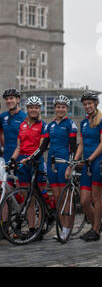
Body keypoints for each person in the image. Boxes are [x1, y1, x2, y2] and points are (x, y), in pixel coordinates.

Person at [66, 91, 102, 242]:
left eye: (90, 103)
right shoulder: (83, 123)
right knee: (84, 201)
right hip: (87, 163)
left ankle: (95, 230)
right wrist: (74, 160)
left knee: (96, 197)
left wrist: (90, 158)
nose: (87, 106)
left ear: (95, 104)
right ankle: (96, 225)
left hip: (98, 161)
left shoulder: (101, 121)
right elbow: (82, 144)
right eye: (85, 104)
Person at [36, 95, 78, 241]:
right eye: (58, 107)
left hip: (64, 163)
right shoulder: (50, 125)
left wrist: (70, 166)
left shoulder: (70, 125)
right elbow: (42, 147)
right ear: (55, 108)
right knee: (58, 198)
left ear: (67, 109)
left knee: (66, 199)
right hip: (51, 164)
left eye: (63, 107)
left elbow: (73, 148)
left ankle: (67, 229)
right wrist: (30, 157)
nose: (60, 109)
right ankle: (62, 228)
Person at [10, 96, 48, 240]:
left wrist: (31, 158)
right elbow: (19, 147)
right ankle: (33, 229)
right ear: (27, 109)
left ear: (40, 109)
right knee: (28, 198)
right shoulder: (22, 126)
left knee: (41, 195)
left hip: (36, 162)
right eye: (31, 107)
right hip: (24, 163)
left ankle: (42, 223)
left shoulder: (43, 125)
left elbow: (42, 147)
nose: (33, 110)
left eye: (36, 107)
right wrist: (13, 159)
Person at [0, 89, 27, 167]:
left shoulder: (25, 117)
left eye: (11, 98)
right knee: (6, 179)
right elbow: (1, 133)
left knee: (21, 179)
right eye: (7, 99)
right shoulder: (2, 117)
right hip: (6, 156)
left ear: (18, 100)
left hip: (21, 158)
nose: (9, 101)